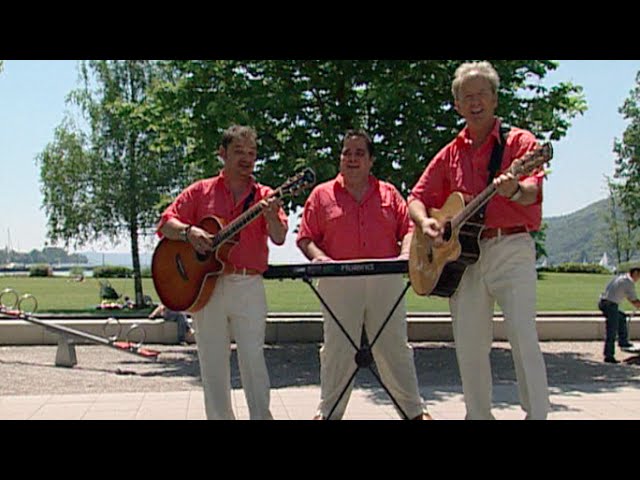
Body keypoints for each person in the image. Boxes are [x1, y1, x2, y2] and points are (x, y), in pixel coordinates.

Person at [408, 61, 549, 420]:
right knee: (470, 345)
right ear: (457, 105)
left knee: (522, 337)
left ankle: (537, 415)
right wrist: (425, 223)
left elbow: (533, 191)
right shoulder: (450, 152)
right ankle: (478, 415)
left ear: (495, 100)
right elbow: (416, 197)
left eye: (482, 95)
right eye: (467, 97)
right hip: (463, 257)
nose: (475, 102)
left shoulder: (520, 143)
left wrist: (514, 189)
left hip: (511, 247)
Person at [297, 129, 431, 420]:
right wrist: (321, 260)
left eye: (359, 153)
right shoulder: (321, 195)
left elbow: (408, 229)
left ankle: (414, 412)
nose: (352, 159)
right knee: (336, 350)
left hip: (386, 279)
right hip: (337, 281)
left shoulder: (389, 193)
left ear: (371, 160)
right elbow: (306, 238)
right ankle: (329, 413)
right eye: (347, 153)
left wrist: (405, 256)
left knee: (393, 347)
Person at [156, 125, 288, 420]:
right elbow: (165, 223)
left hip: (248, 284)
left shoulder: (265, 195)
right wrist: (189, 233)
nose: (246, 158)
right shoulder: (200, 191)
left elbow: (279, 237)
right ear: (222, 154)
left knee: (253, 360)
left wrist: (270, 215)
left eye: (252, 153)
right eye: (239, 151)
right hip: (206, 288)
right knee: (213, 364)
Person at [598, 267, 640, 363]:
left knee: (621, 317)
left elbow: (629, 298)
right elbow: (634, 301)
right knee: (612, 329)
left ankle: (623, 342)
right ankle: (609, 356)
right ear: (635, 273)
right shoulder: (628, 283)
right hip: (610, 304)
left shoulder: (620, 277)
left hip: (603, 302)